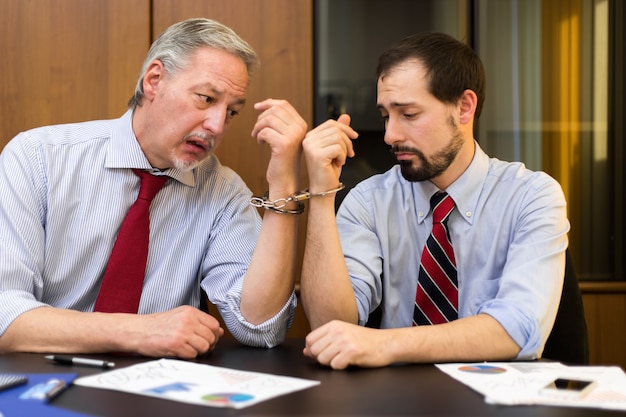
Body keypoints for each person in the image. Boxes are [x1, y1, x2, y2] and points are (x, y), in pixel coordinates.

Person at [0, 18, 307, 358]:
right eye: (206, 99)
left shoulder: (223, 191)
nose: (217, 125)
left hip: (155, 393)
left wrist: (283, 184)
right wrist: (139, 331)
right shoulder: (38, 158)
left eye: (232, 112)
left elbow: (261, 328)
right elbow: (4, 313)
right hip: (43, 383)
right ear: (154, 80)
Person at [299, 32, 570, 369]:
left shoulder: (531, 197)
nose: (390, 135)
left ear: (464, 107)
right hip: (394, 400)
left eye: (409, 114)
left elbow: (519, 329)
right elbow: (329, 328)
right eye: (385, 116)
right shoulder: (368, 203)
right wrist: (322, 194)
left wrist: (385, 344)